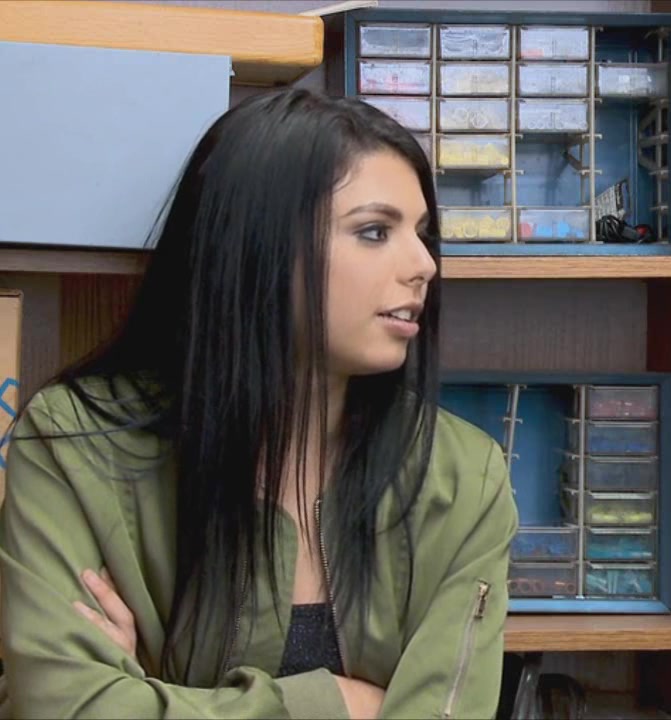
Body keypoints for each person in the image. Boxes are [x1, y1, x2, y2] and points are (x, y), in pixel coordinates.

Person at [0, 88, 517, 719]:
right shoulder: (75, 445)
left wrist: (155, 697)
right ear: (255, 246)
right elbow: (66, 709)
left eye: (422, 234)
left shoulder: (463, 477)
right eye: (374, 231)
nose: (424, 264)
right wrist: (336, 704)